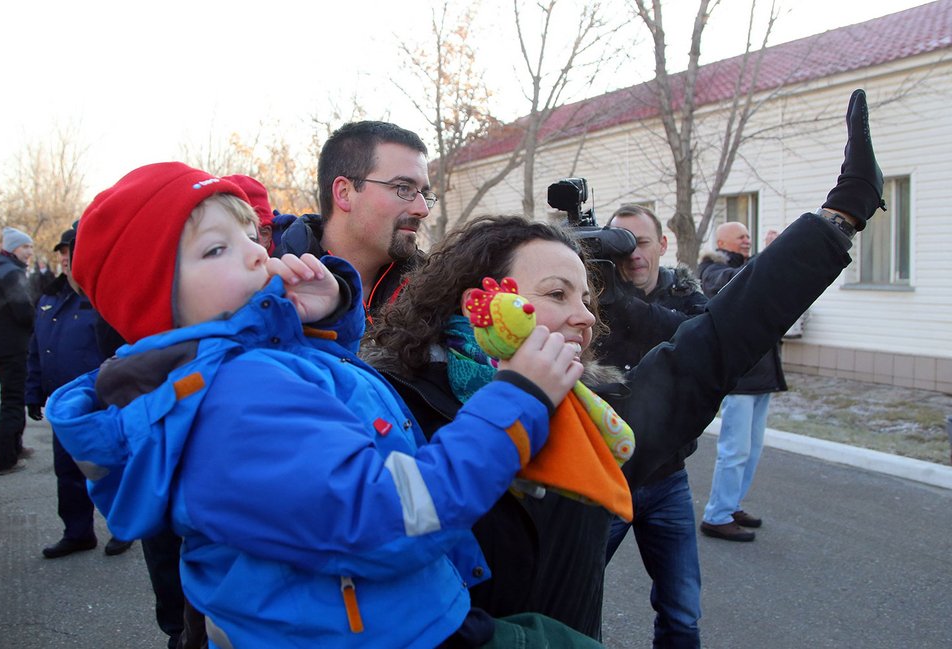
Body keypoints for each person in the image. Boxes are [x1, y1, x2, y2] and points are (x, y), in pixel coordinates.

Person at [367, 87, 884, 639]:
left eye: (586, 298)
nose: (586, 317)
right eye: (558, 294)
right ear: (482, 300)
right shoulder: (398, 404)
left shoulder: (597, 420)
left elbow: (711, 344)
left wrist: (839, 218)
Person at [46, 162, 604, 648]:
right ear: (157, 301)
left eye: (249, 234)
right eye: (216, 248)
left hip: (401, 616)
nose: (253, 254)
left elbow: (340, 403)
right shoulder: (233, 402)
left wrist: (327, 315)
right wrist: (516, 399)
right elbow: (393, 515)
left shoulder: (249, 370)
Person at [594, 204, 708, 646]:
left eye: (641, 242)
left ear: (663, 244)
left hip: (667, 478)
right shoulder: (591, 297)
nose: (633, 255)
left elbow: (696, 336)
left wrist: (624, 305)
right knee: (573, 598)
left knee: (682, 612)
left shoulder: (685, 295)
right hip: (603, 476)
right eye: (621, 245)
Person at [25, 226, 134, 558]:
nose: (65, 258)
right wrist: (32, 392)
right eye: (62, 253)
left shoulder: (104, 295)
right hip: (65, 406)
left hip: (100, 403)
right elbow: (36, 348)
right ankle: (78, 532)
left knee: (111, 467)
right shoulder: (49, 297)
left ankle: (124, 527)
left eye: (71, 252)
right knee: (67, 471)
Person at [277, 120, 433, 323]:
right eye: (403, 188)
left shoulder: (434, 293)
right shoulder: (275, 296)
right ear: (344, 193)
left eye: (425, 194)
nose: (422, 210)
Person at [698, 221, 786, 543]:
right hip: (739, 377)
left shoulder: (750, 266)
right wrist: (773, 256)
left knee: (752, 450)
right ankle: (716, 516)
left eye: (749, 236)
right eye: (742, 237)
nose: (747, 241)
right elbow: (737, 285)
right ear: (722, 241)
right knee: (734, 450)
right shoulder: (711, 270)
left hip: (762, 374)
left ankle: (730, 504)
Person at [0, 226, 36, 475]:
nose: (29, 252)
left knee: (12, 397)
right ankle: (5, 459)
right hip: (13, 346)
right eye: (25, 247)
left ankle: (15, 446)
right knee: (12, 400)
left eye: (30, 246)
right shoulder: (11, 272)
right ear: (12, 248)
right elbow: (22, 310)